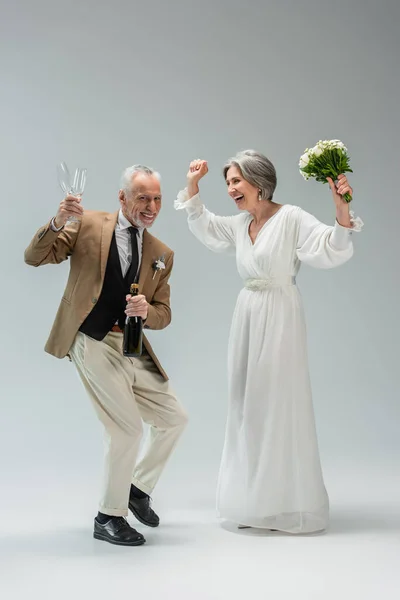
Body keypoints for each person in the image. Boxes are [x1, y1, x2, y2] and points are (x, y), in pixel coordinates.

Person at [174, 150, 363, 534]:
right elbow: (206, 225)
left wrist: (341, 209)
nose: (230, 189)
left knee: (276, 405)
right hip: (247, 314)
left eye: (235, 181)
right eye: (227, 182)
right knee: (246, 406)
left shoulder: (290, 218)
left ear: (259, 183)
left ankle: (282, 505)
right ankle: (251, 503)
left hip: (280, 315)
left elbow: (330, 244)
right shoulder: (242, 223)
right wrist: (193, 186)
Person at [24, 164, 188, 546]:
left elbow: (164, 314)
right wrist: (57, 220)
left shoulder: (162, 253)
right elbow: (35, 257)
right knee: (126, 429)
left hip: (131, 344)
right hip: (91, 339)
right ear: (122, 197)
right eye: (143, 197)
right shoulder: (87, 224)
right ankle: (108, 517)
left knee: (175, 418)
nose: (151, 206)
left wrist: (148, 312)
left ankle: (137, 489)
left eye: (157, 198)